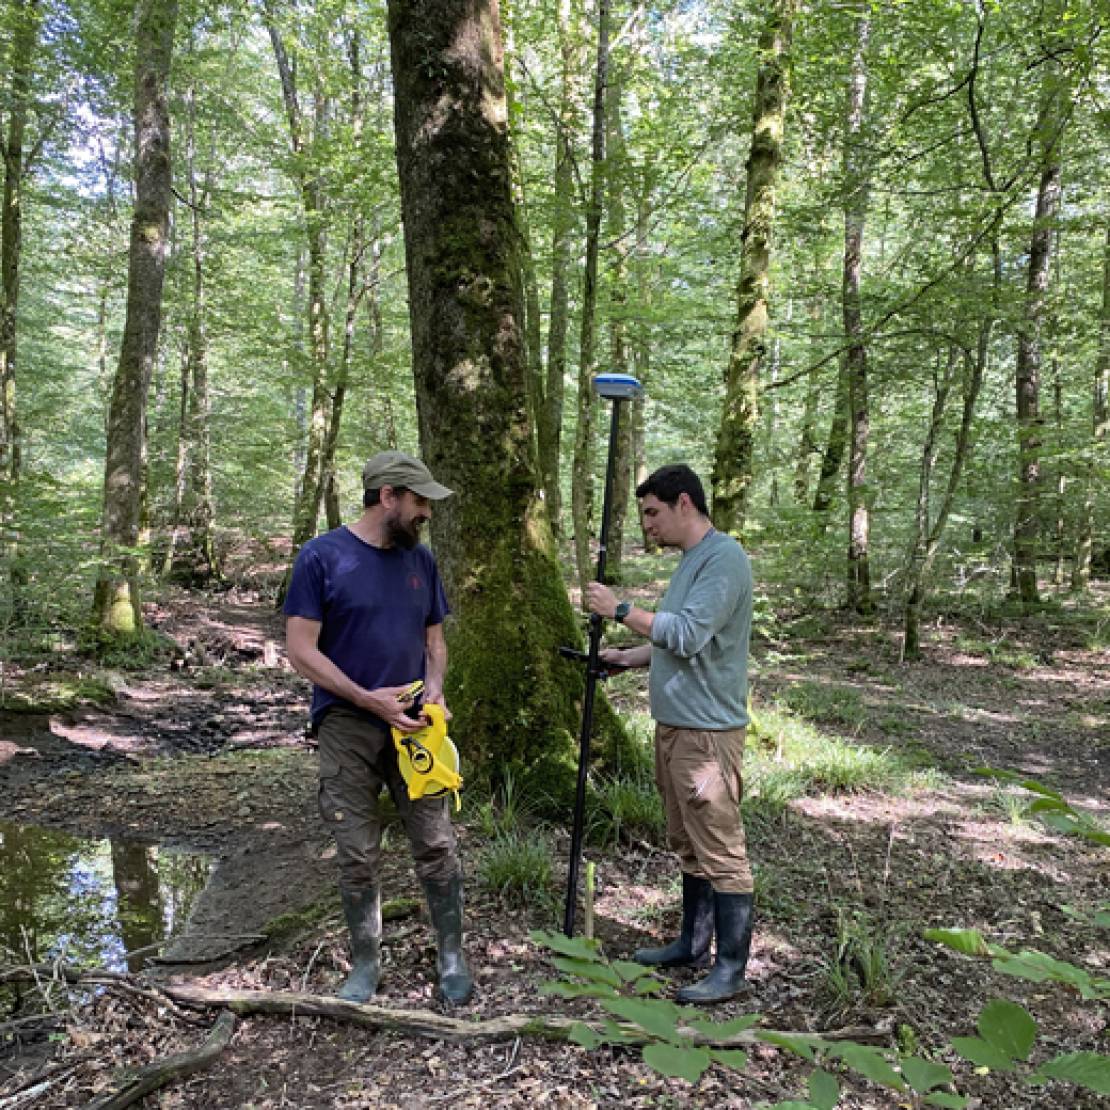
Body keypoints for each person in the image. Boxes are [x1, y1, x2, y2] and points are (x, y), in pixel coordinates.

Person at [284, 450, 473, 1005]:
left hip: (414, 724)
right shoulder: (321, 557)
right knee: (357, 849)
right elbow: (300, 648)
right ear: (387, 495)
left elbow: (434, 640)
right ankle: (366, 963)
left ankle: (452, 957)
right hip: (346, 723)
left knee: (436, 840)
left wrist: (434, 688)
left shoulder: (422, 562)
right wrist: (369, 699)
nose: (426, 515)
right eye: (419, 502)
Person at [585, 463, 753, 1004]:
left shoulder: (723, 559)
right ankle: (691, 943)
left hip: (707, 735)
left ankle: (729, 969)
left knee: (720, 846)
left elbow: (684, 634)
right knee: (687, 842)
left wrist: (621, 610)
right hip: (676, 728)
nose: (648, 526)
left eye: (653, 513)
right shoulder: (690, 563)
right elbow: (677, 644)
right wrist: (628, 658)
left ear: (685, 503)